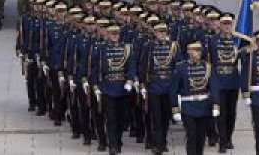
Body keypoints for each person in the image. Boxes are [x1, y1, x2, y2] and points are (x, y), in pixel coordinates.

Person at [92, 24, 137, 155]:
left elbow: (132, 65)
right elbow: (96, 67)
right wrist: (95, 85)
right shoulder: (102, 49)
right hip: (108, 86)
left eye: (116, 34)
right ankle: (113, 145)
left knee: (121, 118)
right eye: (112, 34)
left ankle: (117, 140)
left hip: (123, 87)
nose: (115, 36)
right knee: (111, 118)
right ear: (107, 34)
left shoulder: (127, 48)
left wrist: (130, 79)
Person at [171, 41, 218, 155]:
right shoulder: (181, 68)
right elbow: (173, 90)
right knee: (191, 135)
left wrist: (216, 105)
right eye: (194, 50)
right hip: (188, 107)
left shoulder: (207, 67)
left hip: (204, 106)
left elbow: (214, 87)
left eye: (199, 51)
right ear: (188, 52)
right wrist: (175, 109)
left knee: (201, 136)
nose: (197, 53)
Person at [207, 14, 242, 153]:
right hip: (218, 79)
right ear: (220, 25)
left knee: (231, 112)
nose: (227, 26)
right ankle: (222, 140)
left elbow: (244, 56)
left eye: (229, 23)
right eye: (224, 23)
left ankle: (228, 138)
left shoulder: (237, 40)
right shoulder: (213, 40)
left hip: (232, 79)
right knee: (221, 112)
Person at [141, 22, 177, 155]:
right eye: (159, 32)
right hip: (154, 86)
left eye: (164, 32)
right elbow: (144, 66)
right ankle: (157, 144)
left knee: (166, 116)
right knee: (155, 117)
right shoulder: (148, 47)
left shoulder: (173, 47)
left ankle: (163, 141)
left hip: (168, 86)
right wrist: (142, 84)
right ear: (154, 33)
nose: (161, 35)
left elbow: (177, 67)